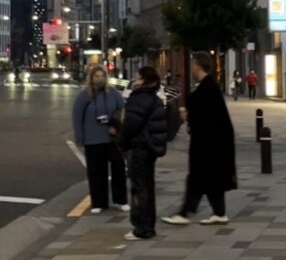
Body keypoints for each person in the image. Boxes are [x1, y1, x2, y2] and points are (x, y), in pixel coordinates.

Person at [164, 52, 236, 225]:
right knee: (210, 178)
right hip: (214, 142)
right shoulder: (209, 86)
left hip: (207, 143)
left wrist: (186, 115)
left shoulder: (206, 88)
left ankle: (185, 213)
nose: (191, 68)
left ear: (198, 66)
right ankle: (218, 212)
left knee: (198, 177)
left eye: (193, 65)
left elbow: (204, 116)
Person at [119, 66, 168, 240]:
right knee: (147, 186)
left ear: (145, 81)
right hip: (151, 148)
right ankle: (148, 225)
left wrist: (122, 143)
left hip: (139, 147)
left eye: (138, 78)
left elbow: (130, 125)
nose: (135, 81)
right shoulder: (155, 99)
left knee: (139, 188)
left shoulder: (139, 99)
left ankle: (142, 228)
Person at [71, 67, 128, 214]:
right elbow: (77, 117)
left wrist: (115, 126)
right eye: (96, 76)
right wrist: (79, 137)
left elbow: (121, 109)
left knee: (119, 167)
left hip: (111, 138)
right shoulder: (84, 96)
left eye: (102, 76)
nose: (99, 78)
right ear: (91, 78)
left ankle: (120, 200)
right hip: (92, 138)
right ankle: (98, 202)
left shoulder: (113, 93)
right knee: (96, 171)